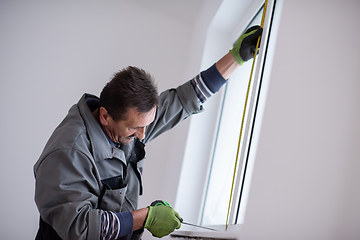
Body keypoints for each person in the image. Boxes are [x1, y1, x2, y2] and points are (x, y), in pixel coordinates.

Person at [33, 26, 262, 240]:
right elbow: (79, 228)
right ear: (104, 116)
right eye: (135, 129)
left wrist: (236, 58)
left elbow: (183, 100)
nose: (143, 135)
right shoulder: (68, 153)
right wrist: (144, 217)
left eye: (146, 125)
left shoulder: (130, 120)